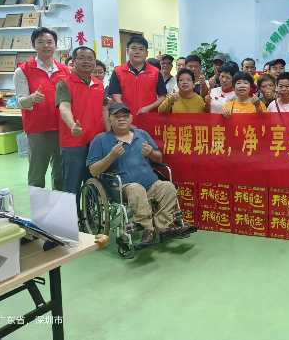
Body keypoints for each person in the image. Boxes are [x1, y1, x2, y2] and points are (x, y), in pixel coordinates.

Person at [87, 103, 193, 247]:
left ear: (131, 118)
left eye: (125, 116)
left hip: (151, 184)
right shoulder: (100, 140)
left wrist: (151, 153)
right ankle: (148, 229)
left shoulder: (142, 134)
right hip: (123, 188)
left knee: (168, 187)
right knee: (136, 189)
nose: (122, 119)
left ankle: (164, 227)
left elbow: (159, 158)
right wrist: (111, 156)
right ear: (109, 120)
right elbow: (93, 171)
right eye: (117, 116)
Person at [14, 27, 69, 191]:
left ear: (56, 45)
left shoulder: (64, 70)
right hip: (38, 129)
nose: (46, 46)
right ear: (33, 45)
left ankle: (60, 205)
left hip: (63, 127)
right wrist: (31, 98)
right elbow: (19, 101)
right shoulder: (23, 70)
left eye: (50, 42)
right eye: (41, 42)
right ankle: (39, 207)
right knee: (37, 174)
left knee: (61, 173)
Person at [57, 46, 109, 195]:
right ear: (73, 62)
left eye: (90, 58)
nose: (86, 61)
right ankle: (71, 211)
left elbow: (104, 109)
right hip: (74, 143)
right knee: (72, 187)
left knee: (94, 186)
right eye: (81, 58)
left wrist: (109, 132)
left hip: (95, 143)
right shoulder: (64, 83)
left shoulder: (99, 84)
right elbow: (64, 107)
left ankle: (89, 211)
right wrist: (72, 125)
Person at [109, 36, 167, 116]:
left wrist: (148, 108)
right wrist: (126, 112)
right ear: (127, 51)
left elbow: (163, 97)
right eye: (133, 48)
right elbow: (116, 97)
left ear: (147, 53)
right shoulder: (118, 72)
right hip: (125, 118)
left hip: (149, 117)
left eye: (141, 49)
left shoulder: (155, 72)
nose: (137, 52)